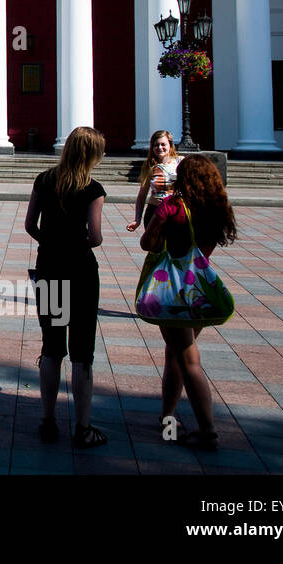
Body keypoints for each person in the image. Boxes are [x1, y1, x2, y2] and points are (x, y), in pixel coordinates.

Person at [140, 155, 237, 452]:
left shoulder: (173, 206)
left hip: (174, 293)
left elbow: (148, 243)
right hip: (198, 291)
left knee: (188, 359)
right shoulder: (216, 207)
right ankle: (167, 418)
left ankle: (207, 430)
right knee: (175, 354)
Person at [24, 125, 107, 447]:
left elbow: (30, 224)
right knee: (82, 352)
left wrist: (52, 242)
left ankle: (47, 421)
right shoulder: (93, 189)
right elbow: (95, 237)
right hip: (82, 272)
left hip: (50, 267)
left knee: (52, 347)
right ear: (91, 155)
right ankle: (83, 428)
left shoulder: (44, 180)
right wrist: (76, 242)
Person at [127, 130, 183, 231]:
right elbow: (142, 195)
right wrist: (137, 220)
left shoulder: (180, 162)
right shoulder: (149, 166)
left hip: (176, 212)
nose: (160, 148)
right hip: (155, 213)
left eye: (163, 144)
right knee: (154, 246)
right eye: (156, 145)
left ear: (170, 145)